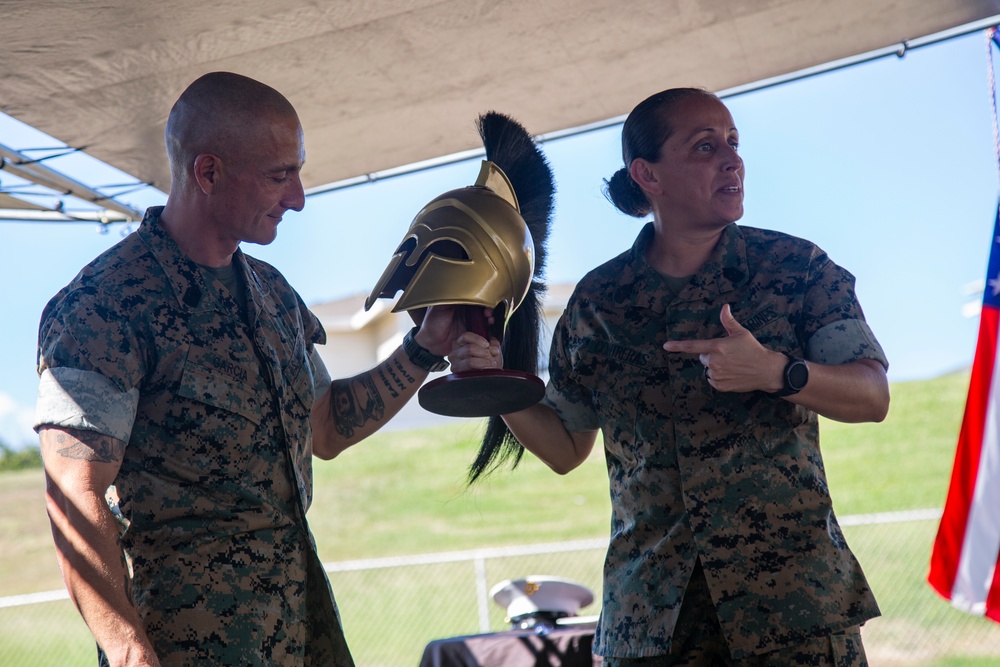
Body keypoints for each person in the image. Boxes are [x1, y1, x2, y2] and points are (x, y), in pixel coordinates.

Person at [34, 72, 464, 667]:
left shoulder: (272, 295)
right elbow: (75, 494)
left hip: (300, 625)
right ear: (207, 173)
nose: (298, 197)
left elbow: (327, 425)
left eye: (297, 171)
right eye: (278, 175)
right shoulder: (104, 306)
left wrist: (426, 345)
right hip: (186, 640)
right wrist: (128, 649)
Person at [449, 88, 890, 666]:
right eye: (705, 147)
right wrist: (495, 386)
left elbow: (871, 395)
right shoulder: (598, 303)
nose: (731, 160)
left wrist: (777, 371)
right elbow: (564, 446)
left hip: (792, 614)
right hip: (652, 623)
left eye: (734, 143)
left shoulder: (797, 268)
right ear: (647, 174)